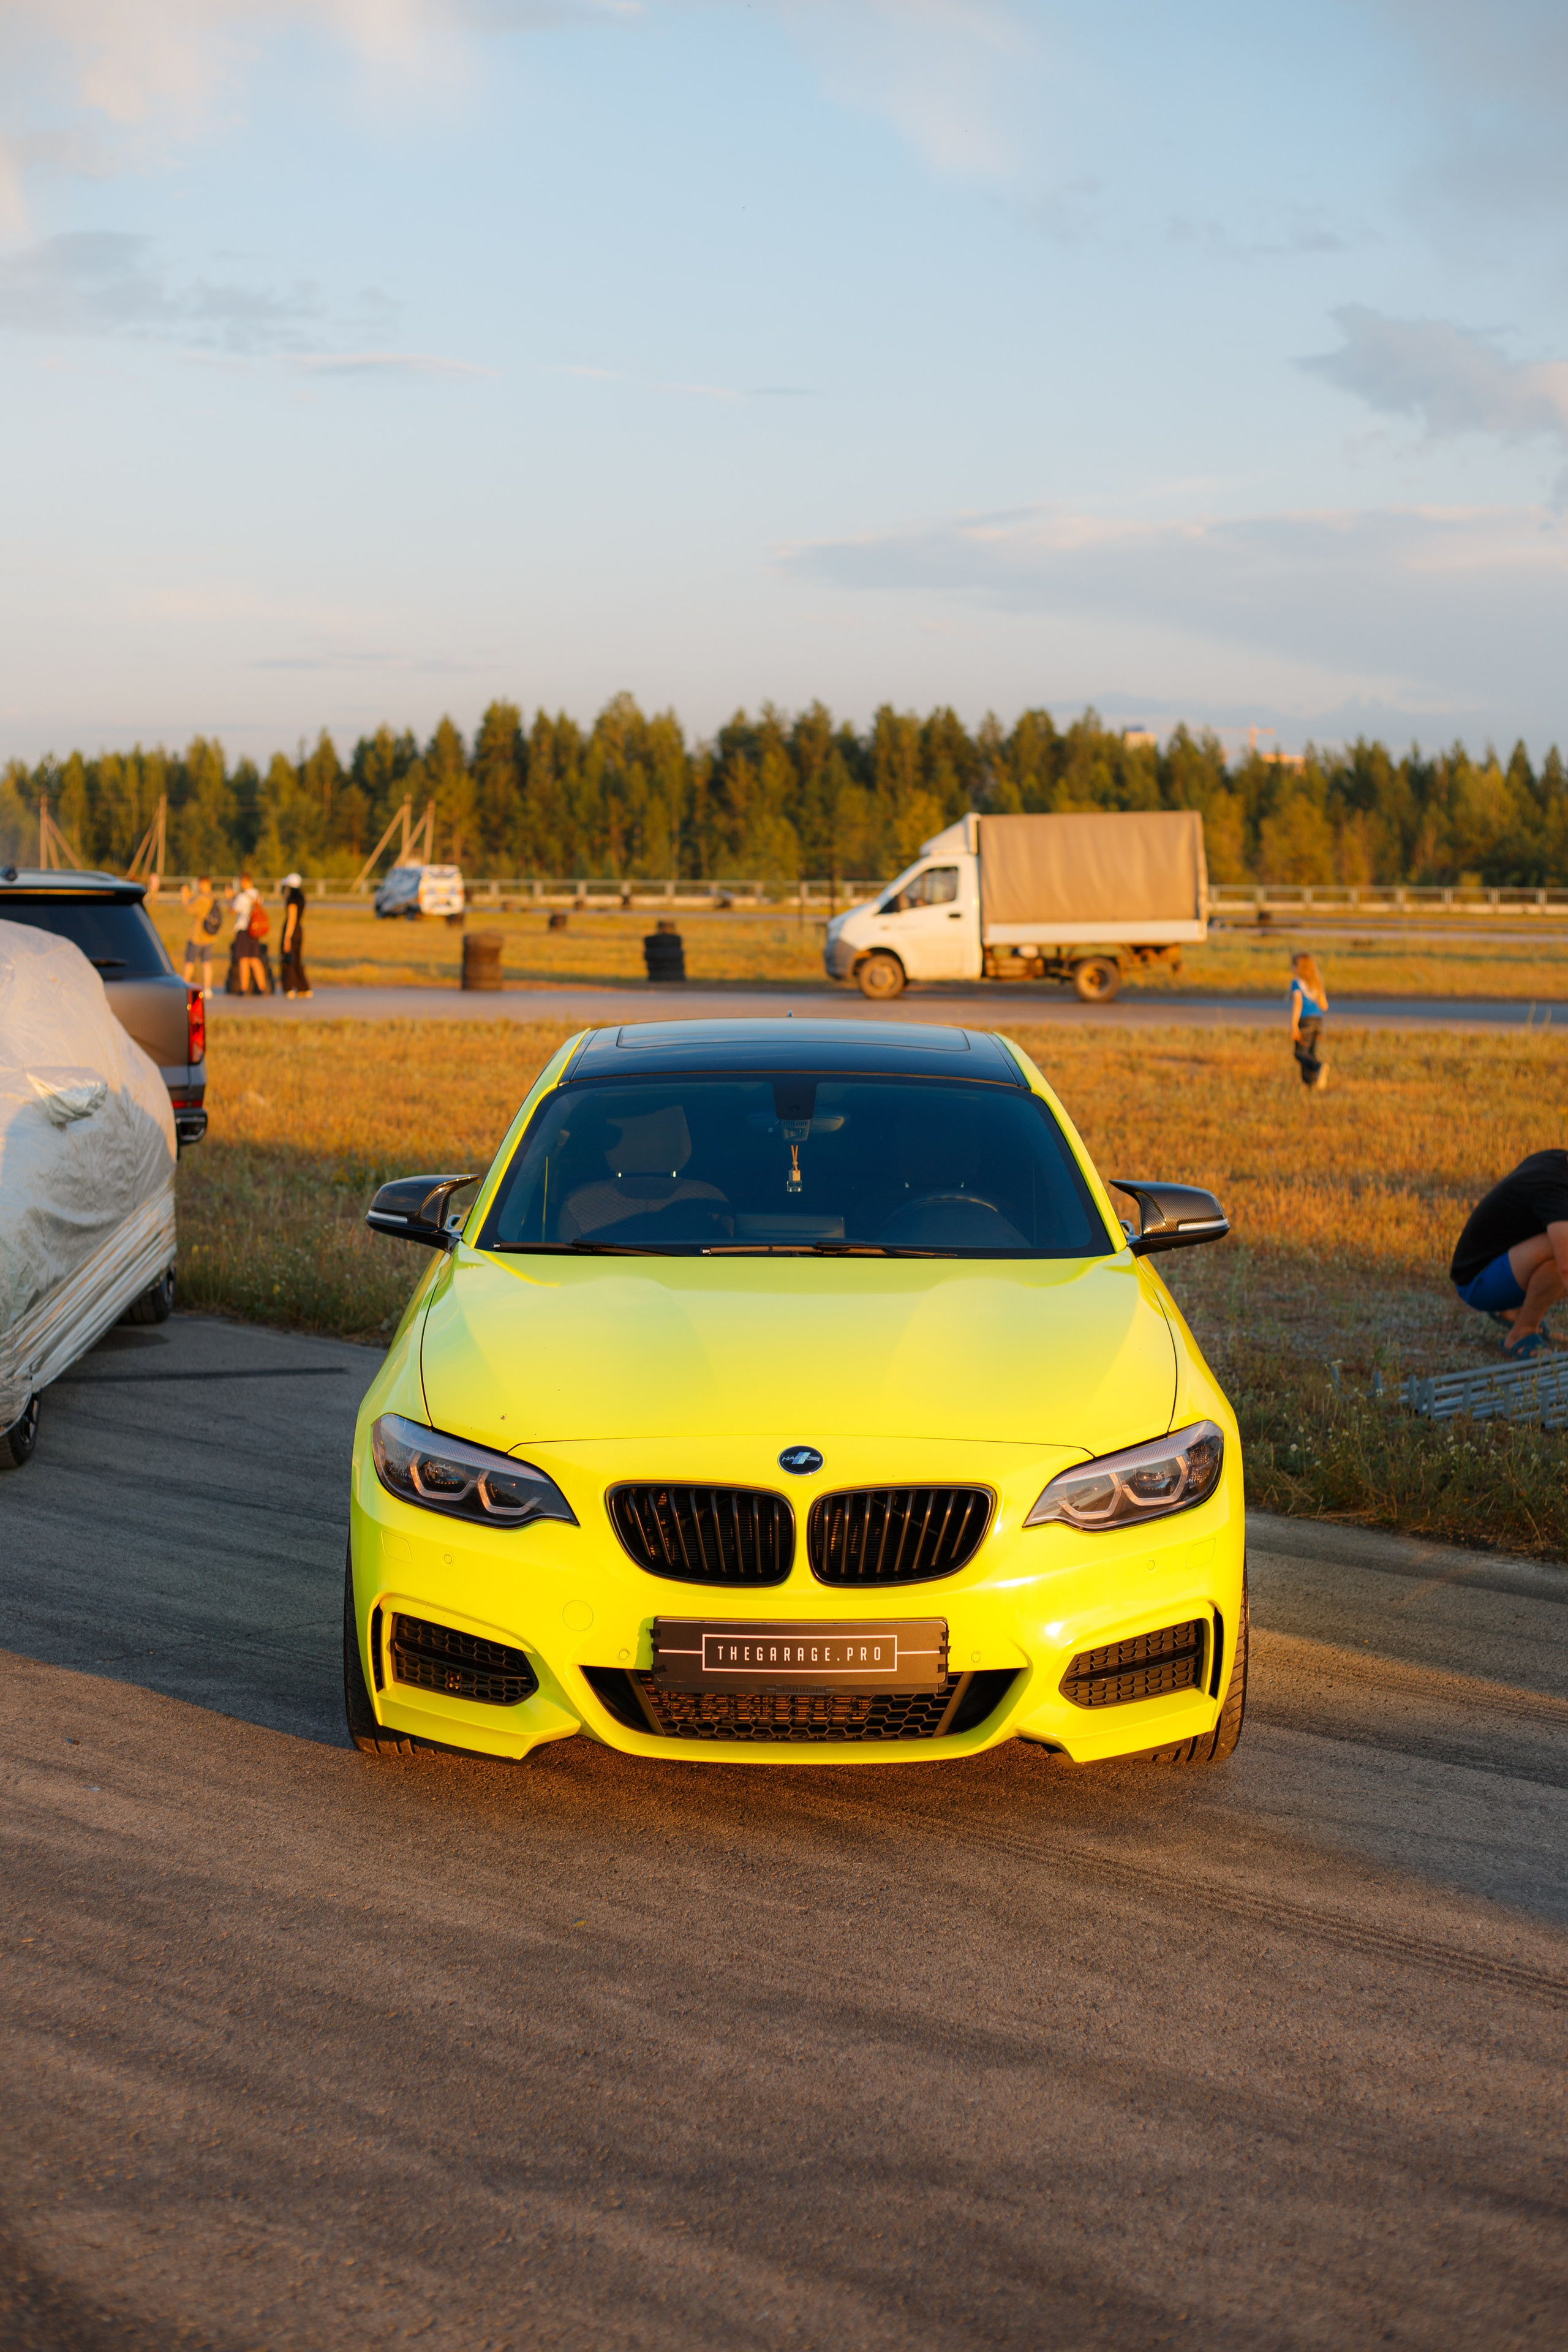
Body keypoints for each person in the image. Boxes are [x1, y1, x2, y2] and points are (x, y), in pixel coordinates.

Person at [1450, 1149, 1568, 1361]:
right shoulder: (1553, 1190)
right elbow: (1566, 1267)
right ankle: (1522, 1333)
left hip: (1497, 1262)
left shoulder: (1556, 1160)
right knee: (1563, 1252)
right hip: (1477, 1283)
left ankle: (1515, 1311)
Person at [1289, 952, 1329, 1090]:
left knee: (1300, 1053)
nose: (1291, 968)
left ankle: (1318, 1067)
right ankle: (1310, 1083)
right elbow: (1324, 1005)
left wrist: (1294, 1025)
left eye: (1293, 965)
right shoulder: (1316, 983)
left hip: (1305, 1021)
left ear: (1299, 967)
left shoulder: (1297, 983)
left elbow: (1298, 1004)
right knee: (1310, 1053)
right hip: (1318, 1021)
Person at [180, 873, 222, 997]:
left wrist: (184, 896)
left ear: (203, 883)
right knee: (207, 963)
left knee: (189, 962)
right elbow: (196, 900)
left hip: (197, 936)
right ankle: (208, 989)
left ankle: (184, 987)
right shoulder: (212, 897)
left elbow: (188, 909)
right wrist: (191, 896)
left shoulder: (202, 899)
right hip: (209, 936)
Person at [279, 872, 312, 998]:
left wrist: (287, 938)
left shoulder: (292, 900)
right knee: (297, 960)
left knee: (288, 960)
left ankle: (289, 987)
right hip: (299, 930)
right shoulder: (301, 897)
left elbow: (291, 919)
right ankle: (303, 987)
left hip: (291, 931)